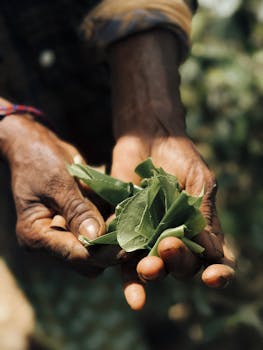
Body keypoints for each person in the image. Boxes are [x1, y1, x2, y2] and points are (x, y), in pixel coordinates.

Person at [0, 0, 235, 311]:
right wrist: (10, 129)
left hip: (105, 93)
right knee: (69, 290)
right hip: (15, 188)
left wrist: (150, 101)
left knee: (169, 275)